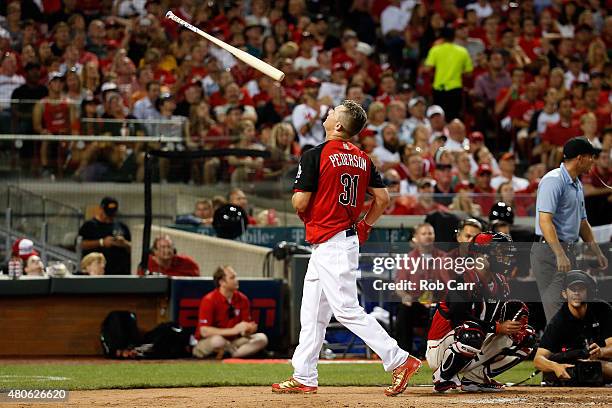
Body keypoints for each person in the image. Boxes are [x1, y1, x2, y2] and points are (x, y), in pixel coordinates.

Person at [273, 100, 421, 396]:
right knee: (312, 312)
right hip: (338, 241)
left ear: (338, 125)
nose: (327, 114)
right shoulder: (364, 158)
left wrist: (302, 208)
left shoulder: (316, 154)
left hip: (332, 242)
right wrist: (365, 225)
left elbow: (301, 202)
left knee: (346, 309)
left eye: (332, 113)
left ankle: (399, 359)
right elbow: (382, 199)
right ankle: (304, 375)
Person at [426, 232, 536, 393]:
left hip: (474, 339)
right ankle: (443, 377)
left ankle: (475, 378)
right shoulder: (462, 278)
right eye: (499, 251)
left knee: (527, 336)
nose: (504, 256)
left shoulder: (501, 281)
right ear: (480, 254)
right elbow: (459, 318)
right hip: (442, 346)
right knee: (472, 331)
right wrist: (497, 328)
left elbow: (492, 317)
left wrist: (512, 322)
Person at [531, 137, 608, 322]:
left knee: (571, 307)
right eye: (591, 157)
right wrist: (559, 253)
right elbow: (545, 221)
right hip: (551, 252)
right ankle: (555, 350)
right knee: (556, 308)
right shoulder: (553, 180)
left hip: (567, 251)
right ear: (580, 158)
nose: (593, 161)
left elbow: (582, 223)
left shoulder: (576, 183)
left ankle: (568, 349)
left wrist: (597, 252)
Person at [534, 270, 612, 384]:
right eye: (572, 289)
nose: (576, 293)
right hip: (574, 365)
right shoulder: (558, 321)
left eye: (581, 288)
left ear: (588, 292)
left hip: (599, 362)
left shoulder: (602, 309)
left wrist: (601, 352)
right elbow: (538, 359)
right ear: (564, 293)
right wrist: (555, 367)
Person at [193, 265, 268, 359]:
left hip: (234, 342)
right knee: (218, 340)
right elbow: (204, 331)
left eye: (236, 277)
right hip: (210, 341)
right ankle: (234, 353)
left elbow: (244, 331)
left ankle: (230, 355)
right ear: (221, 282)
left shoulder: (243, 299)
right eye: (232, 278)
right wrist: (234, 330)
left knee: (261, 338)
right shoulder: (209, 300)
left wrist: (248, 330)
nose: (236, 280)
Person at [395, 223, 447, 356]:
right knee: (404, 311)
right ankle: (404, 354)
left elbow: (449, 284)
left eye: (430, 233)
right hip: (415, 302)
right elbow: (399, 285)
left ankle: (428, 353)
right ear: (415, 238)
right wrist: (405, 296)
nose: (428, 237)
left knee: (439, 309)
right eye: (424, 234)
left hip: (437, 301)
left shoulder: (444, 257)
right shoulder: (408, 259)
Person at [423, 26, 473, 120]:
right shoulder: (462, 51)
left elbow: (427, 69)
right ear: (454, 37)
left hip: (439, 89)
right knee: (454, 117)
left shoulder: (435, 50)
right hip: (455, 89)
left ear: (441, 37)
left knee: (440, 117)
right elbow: (469, 73)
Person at [78, 197, 131, 275]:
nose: (110, 217)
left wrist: (124, 243)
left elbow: (133, 248)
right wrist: (101, 242)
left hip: (120, 272)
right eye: (108, 213)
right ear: (101, 209)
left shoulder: (122, 226)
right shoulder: (90, 225)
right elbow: (81, 244)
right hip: (97, 272)